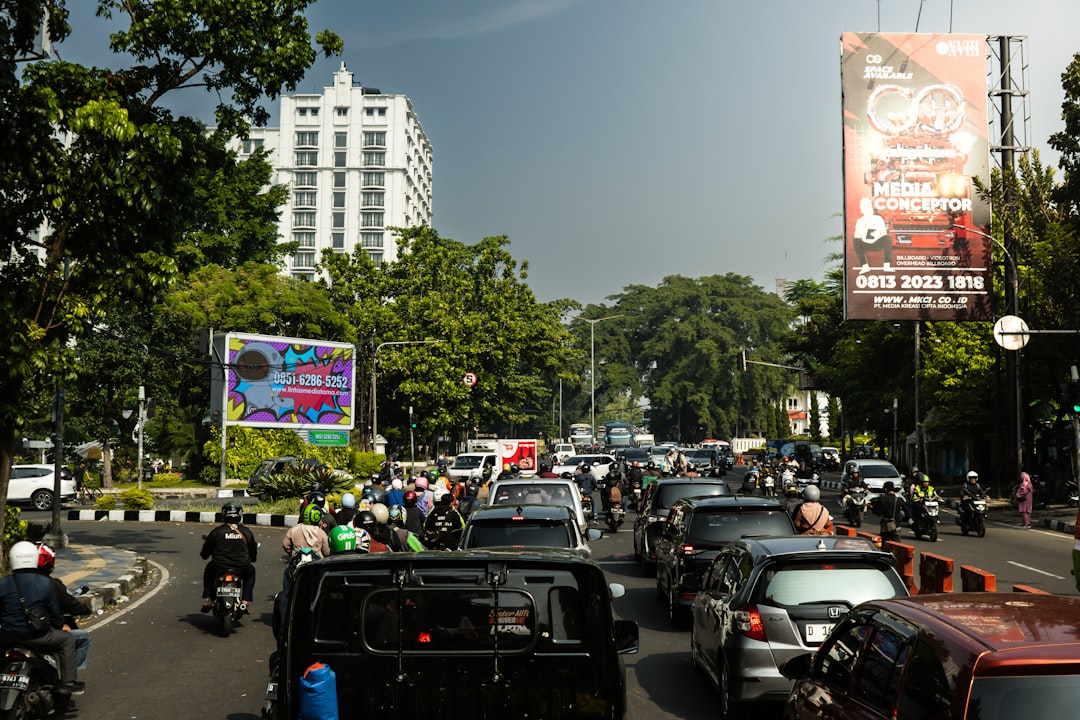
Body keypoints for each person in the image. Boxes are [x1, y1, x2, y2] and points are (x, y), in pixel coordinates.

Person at [0, 542, 81, 700]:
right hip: (39, 637)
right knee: (68, 641)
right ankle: (68, 683)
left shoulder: (3, 583)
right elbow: (56, 615)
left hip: (9, 637)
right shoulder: (45, 583)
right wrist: (60, 625)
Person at [36, 543, 92, 680]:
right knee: (81, 638)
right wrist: (86, 610)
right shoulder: (52, 585)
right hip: (41, 633)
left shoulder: (9, 583)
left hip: (12, 633)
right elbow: (69, 604)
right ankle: (68, 680)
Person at [200, 501, 257, 613]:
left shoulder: (217, 532)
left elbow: (205, 552)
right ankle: (245, 601)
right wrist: (252, 559)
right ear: (239, 514)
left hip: (219, 566)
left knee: (208, 572)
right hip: (241, 567)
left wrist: (205, 555)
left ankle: (208, 598)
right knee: (251, 573)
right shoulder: (246, 532)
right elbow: (253, 551)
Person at [853, 197, 893, 274]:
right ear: (862, 209)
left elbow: (884, 233)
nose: (868, 209)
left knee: (888, 239)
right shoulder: (860, 221)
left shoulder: (878, 218)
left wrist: (877, 234)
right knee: (856, 241)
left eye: (869, 206)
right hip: (865, 243)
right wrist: (864, 229)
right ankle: (864, 266)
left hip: (877, 243)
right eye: (866, 207)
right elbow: (857, 236)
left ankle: (886, 266)